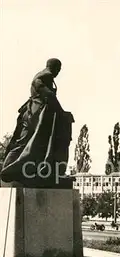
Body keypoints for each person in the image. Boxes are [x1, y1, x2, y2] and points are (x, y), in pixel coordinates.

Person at [1, 58, 74, 188]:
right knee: (24, 142)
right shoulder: (45, 75)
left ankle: (24, 170)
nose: (59, 71)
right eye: (59, 68)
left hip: (35, 113)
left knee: (24, 142)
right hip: (35, 114)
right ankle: (8, 170)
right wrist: (62, 112)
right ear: (55, 67)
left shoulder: (45, 76)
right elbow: (48, 95)